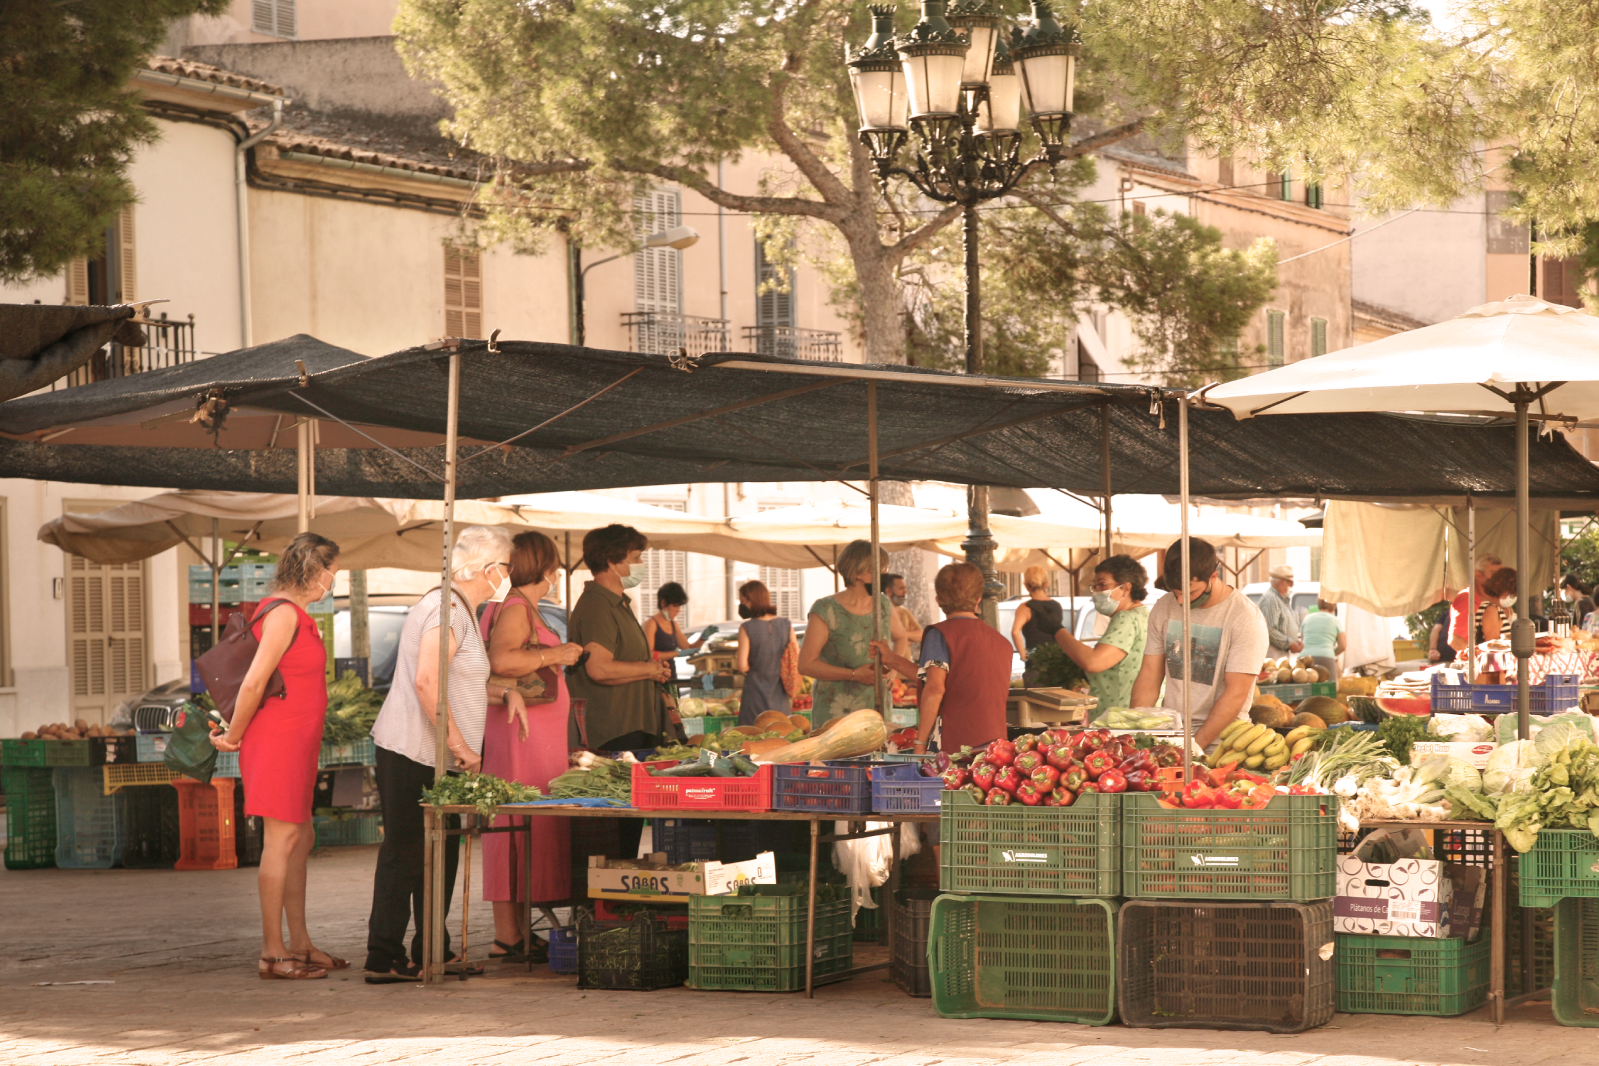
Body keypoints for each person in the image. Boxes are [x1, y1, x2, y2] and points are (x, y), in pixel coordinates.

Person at [363, 525, 519, 984]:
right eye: (506, 567)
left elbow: (459, 681)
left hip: (440, 758)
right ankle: (383, 955)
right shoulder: (445, 608)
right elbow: (428, 682)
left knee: (441, 853)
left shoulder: (462, 609)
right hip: (414, 750)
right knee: (407, 851)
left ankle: (433, 948)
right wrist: (460, 745)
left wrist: (503, 692)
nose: (507, 576)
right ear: (489, 569)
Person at [210, 532, 343, 981]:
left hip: (296, 741)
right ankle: (272, 951)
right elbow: (253, 681)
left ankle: (300, 942)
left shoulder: (293, 614)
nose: (334, 581)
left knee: (299, 839)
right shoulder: (284, 614)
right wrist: (234, 735)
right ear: (316, 571)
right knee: (281, 841)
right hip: (278, 740)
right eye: (333, 573)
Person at [480, 531, 584, 963]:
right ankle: (507, 934)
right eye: (555, 565)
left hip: (529, 733)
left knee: (523, 825)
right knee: (513, 824)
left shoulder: (513, 605)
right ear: (547, 567)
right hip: (520, 733)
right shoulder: (518, 606)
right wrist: (555, 654)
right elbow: (502, 661)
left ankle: (517, 931)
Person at [1130, 537, 1270, 750]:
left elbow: (1236, 693)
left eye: (1189, 592)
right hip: (1171, 734)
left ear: (1213, 577)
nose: (1180, 601)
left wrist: (1195, 746)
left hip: (1222, 742)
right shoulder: (1164, 608)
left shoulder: (1246, 619)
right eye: (1175, 593)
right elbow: (1150, 674)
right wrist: (1136, 730)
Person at [869, 562, 1012, 756]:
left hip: (955, 744)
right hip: (995, 745)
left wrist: (920, 741)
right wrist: (891, 658)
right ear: (978, 599)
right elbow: (940, 678)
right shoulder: (1002, 642)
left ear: (938, 599)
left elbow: (935, 688)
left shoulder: (940, 635)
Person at [567, 524, 674, 751]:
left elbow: (623, 661)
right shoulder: (597, 605)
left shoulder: (618, 603)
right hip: (613, 729)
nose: (640, 565)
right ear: (611, 562)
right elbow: (600, 669)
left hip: (634, 724)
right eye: (635, 559)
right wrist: (649, 670)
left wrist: (652, 668)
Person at [799, 539, 906, 721]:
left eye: (885, 568)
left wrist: (893, 668)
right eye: (878, 569)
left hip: (877, 706)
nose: (883, 574)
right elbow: (806, 664)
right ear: (857, 572)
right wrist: (855, 675)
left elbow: (901, 637)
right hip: (835, 711)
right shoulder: (826, 609)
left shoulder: (884, 605)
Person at [1038, 555, 1149, 712]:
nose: (1096, 592)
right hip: (1135, 715)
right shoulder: (1144, 616)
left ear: (1126, 588)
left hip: (1120, 719)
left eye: (1102, 585)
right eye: (1095, 586)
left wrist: (1056, 629)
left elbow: (1093, 662)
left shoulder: (1126, 618)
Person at [734, 580, 796, 725]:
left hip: (755, 693)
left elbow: (742, 666)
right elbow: (795, 657)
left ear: (752, 600)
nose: (742, 606)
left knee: (754, 736)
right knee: (782, 734)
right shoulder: (786, 625)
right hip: (780, 693)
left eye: (743, 601)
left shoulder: (746, 627)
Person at [1449, 552, 1503, 654]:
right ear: (1479, 575)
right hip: (1480, 667)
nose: (1499, 578)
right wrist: (1480, 658)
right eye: (1493, 573)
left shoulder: (1495, 598)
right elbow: (1455, 639)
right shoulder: (1467, 598)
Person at [643, 582, 706, 665]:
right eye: (675, 606)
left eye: (679, 606)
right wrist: (676, 653)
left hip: (671, 674)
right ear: (663, 603)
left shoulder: (674, 624)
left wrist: (703, 638)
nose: (678, 610)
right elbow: (649, 655)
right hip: (656, 674)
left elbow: (689, 650)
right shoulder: (650, 623)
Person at [1009, 564, 1064, 656]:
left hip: (1035, 658)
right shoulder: (1056, 606)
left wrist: (1023, 654)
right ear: (1047, 584)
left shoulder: (1025, 608)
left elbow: (1015, 632)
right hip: (1055, 657)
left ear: (1026, 585)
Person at [1259, 564, 1303, 659]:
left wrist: (1295, 641)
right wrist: (1290, 643)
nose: (1292, 587)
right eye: (1290, 584)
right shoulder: (1271, 599)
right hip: (1273, 654)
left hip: (1281, 653)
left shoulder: (1282, 600)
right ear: (1282, 583)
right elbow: (1270, 629)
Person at [881, 573, 923, 659]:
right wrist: (909, 637)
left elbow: (921, 635)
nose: (905, 592)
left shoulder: (904, 611)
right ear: (888, 591)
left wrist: (900, 637)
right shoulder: (881, 613)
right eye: (901, 588)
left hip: (905, 667)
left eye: (904, 588)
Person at [1300, 600, 1345, 679]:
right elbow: (1343, 646)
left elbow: (1302, 641)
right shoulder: (1335, 621)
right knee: (1329, 688)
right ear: (1334, 607)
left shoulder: (1307, 618)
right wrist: (1332, 653)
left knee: (1307, 689)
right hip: (1326, 658)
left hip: (1305, 658)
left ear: (1318, 605)